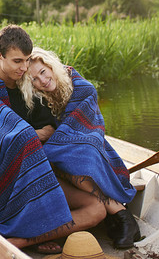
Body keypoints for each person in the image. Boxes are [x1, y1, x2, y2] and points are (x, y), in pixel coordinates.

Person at [0, 25, 105, 254]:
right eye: (17, 61)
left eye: (26, 60)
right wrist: (30, 137)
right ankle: (36, 229)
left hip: (41, 168)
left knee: (97, 209)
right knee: (24, 139)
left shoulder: (29, 79)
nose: (24, 67)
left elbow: (50, 127)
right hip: (2, 174)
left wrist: (30, 138)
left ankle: (25, 240)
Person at [19, 46, 141, 249]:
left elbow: (80, 126)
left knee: (78, 155)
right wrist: (48, 135)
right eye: (34, 80)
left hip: (90, 142)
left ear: (50, 66)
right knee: (55, 156)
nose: (42, 80)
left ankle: (120, 217)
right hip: (68, 149)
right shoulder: (39, 100)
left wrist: (54, 136)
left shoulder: (81, 87)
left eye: (43, 72)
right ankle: (120, 214)